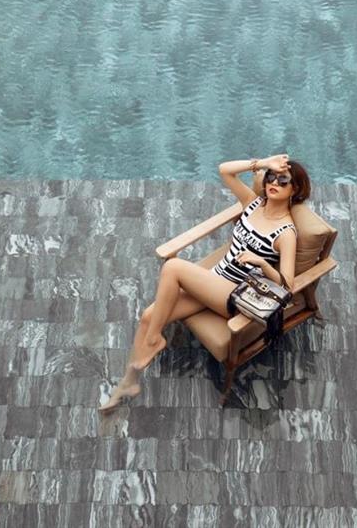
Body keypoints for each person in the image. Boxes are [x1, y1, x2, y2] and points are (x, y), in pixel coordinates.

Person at [98, 153, 311, 413]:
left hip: (235, 295)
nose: (273, 182)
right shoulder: (253, 203)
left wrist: (263, 264)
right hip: (213, 282)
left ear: (295, 189)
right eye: (271, 177)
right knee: (147, 317)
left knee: (173, 267)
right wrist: (264, 163)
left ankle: (154, 340)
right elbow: (224, 170)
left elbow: (287, 284)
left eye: (283, 180)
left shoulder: (286, 233)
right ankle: (129, 382)